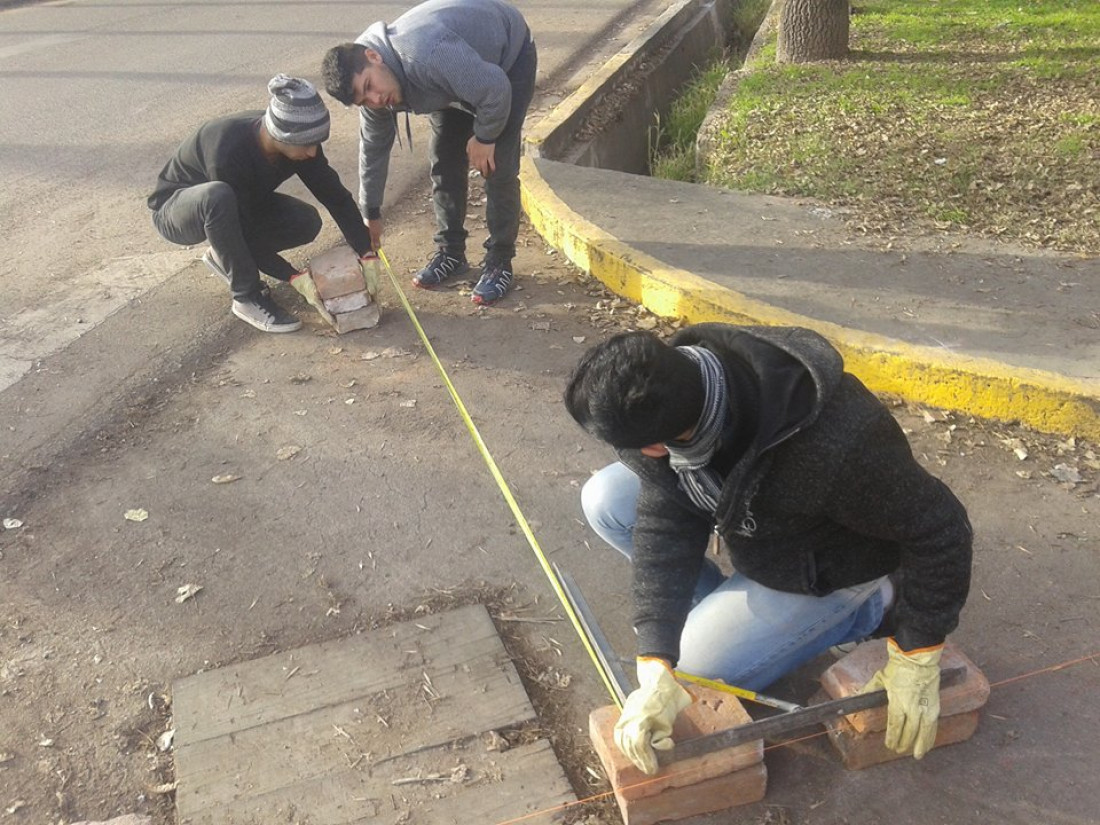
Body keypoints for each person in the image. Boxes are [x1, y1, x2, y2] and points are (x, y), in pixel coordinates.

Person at [564, 324, 973, 774]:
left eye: (638, 448)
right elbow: (667, 519)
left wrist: (918, 649)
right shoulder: (681, 386)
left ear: (660, 442)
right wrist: (657, 656)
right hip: (768, 538)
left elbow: (942, 526)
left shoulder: (838, 443)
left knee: (699, 668)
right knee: (607, 500)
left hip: (839, 565)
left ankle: (872, 608)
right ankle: (726, 613)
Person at [321, 0, 537, 306]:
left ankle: (500, 261)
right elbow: (373, 148)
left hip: (506, 61)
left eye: (370, 86)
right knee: (443, 162)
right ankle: (451, 253)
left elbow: (495, 89)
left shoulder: (427, 53)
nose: (376, 99)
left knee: (496, 168)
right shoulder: (377, 95)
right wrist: (370, 212)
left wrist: (485, 137)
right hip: (456, 80)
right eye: (363, 99)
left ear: (373, 56)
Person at [148, 75, 375, 333]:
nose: (312, 152)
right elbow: (242, 229)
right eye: (307, 145)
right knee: (217, 197)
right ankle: (246, 297)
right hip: (176, 209)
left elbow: (334, 196)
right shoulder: (227, 149)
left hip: (237, 204)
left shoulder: (302, 140)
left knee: (306, 222)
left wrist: (366, 250)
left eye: (317, 143)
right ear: (281, 135)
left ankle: (225, 254)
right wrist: (291, 275)